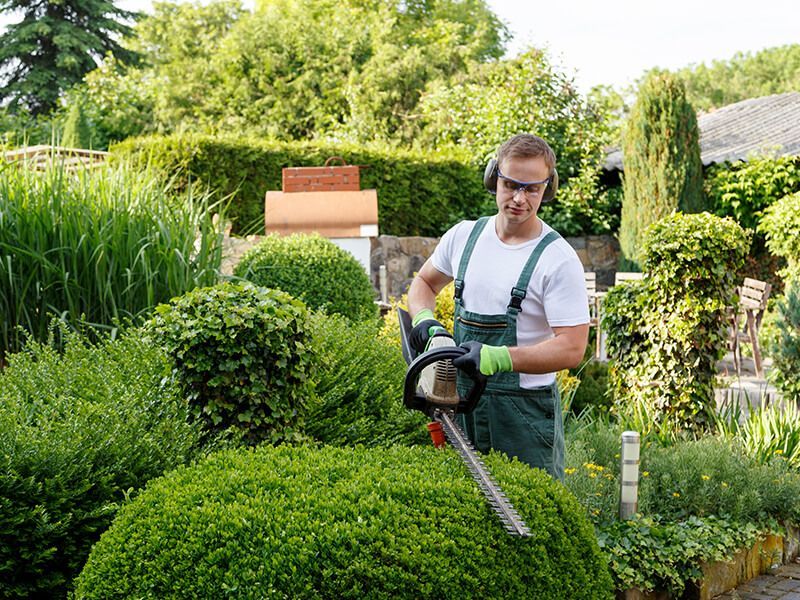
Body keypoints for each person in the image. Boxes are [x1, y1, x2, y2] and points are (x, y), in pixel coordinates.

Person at [406, 133, 589, 480]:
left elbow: (572, 348)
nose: (519, 198)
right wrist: (427, 323)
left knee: (532, 518)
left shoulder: (557, 258)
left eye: (531, 188)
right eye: (511, 185)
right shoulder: (463, 237)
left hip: (522, 416)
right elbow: (424, 283)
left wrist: (498, 357)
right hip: (459, 404)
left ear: (547, 189)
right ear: (494, 179)